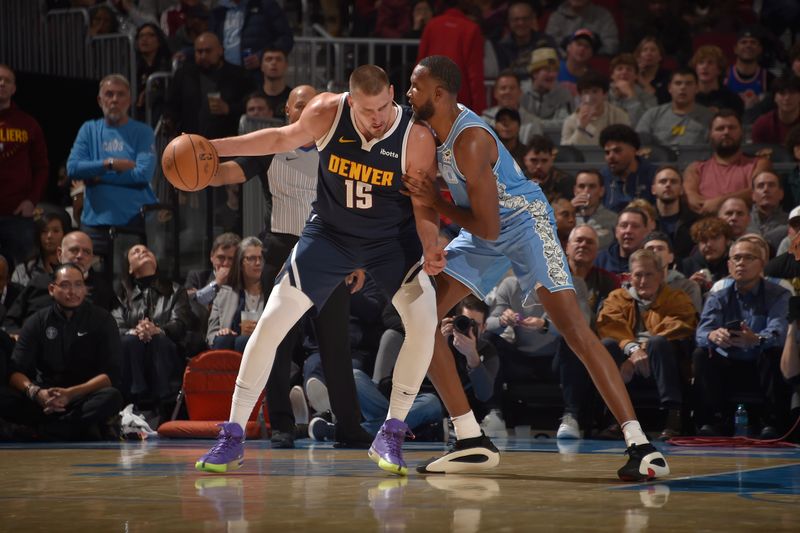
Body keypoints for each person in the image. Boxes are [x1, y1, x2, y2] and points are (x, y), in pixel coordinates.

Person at [403, 55, 669, 481]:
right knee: (420, 317)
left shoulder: (469, 139)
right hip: (481, 224)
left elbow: (489, 228)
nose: (408, 93)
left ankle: (641, 444)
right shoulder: (428, 132)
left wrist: (436, 201)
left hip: (524, 222)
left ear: (439, 93)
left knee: (575, 331)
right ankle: (470, 438)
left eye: (415, 87)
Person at [195, 64, 444, 475]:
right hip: (330, 236)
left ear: (393, 94)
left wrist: (432, 245)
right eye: (367, 110)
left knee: (424, 320)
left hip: (389, 242)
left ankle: (392, 432)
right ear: (350, 101)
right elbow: (276, 138)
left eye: (383, 106)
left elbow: (423, 204)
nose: (377, 117)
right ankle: (233, 434)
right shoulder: (327, 111)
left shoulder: (414, 136)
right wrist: (213, 145)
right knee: (271, 323)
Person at [0, 263, 123, 441]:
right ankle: (75, 429)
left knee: (112, 397)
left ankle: (45, 432)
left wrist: (71, 394)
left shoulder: (103, 320)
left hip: (83, 398)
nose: (72, 291)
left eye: (78, 284)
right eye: (65, 285)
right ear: (52, 289)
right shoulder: (37, 321)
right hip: (44, 399)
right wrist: (35, 392)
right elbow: (15, 372)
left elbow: (110, 375)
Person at [694, 237, 790, 438]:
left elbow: (779, 332)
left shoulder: (778, 294)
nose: (741, 263)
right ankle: (714, 420)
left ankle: (770, 421)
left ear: (762, 264)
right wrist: (713, 334)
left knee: (774, 351)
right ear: (729, 264)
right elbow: (702, 332)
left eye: (748, 257)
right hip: (728, 362)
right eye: (736, 258)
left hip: (759, 361)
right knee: (702, 353)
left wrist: (755, 339)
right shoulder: (719, 296)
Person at [596, 249, 697, 440]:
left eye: (649, 274)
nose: (643, 281)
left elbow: (680, 325)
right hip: (626, 364)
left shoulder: (676, 298)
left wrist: (640, 352)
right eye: (638, 275)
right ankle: (614, 420)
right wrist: (632, 350)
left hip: (662, 362)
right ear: (629, 276)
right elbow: (609, 325)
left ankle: (672, 418)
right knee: (608, 344)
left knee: (658, 343)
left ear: (661, 274)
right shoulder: (617, 298)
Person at [65, 74, 158, 267]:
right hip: (93, 224)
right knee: (92, 285)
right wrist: (110, 163)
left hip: (132, 224)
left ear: (130, 100)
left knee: (129, 286)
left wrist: (97, 177)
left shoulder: (143, 131)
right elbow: (73, 168)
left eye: (120, 94)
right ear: (100, 100)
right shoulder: (88, 129)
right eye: (109, 94)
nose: (114, 99)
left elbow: (143, 174)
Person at [113, 244, 192, 422]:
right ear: (130, 268)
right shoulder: (121, 294)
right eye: (136, 251)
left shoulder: (175, 290)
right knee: (129, 341)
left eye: (147, 250)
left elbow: (180, 323)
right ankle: (138, 402)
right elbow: (116, 325)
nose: (143, 252)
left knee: (159, 340)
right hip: (133, 351)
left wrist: (158, 330)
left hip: (167, 350)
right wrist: (135, 331)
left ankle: (163, 404)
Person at [554, 224, 619, 438]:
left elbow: (613, 318)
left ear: (597, 251)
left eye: (589, 241)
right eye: (578, 240)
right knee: (569, 339)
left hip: (595, 344)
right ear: (567, 247)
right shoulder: (552, 277)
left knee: (608, 345)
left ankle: (608, 421)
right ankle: (571, 416)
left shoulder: (609, 281)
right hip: (557, 348)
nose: (583, 244)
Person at [3, 231, 118, 334]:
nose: (80, 256)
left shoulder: (102, 288)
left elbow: (115, 323)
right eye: (74, 250)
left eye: (86, 252)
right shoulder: (38, 282)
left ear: (92, 258)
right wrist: (16, 335)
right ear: (59, 253)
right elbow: (11, 320)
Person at [0, 64, 49, 269]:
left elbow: (42, 167)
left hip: (18, 216)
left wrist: (31, 200)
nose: (1, 83)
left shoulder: (28, 124)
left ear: (14, 89)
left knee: (23, 275)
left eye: (7, 80)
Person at [163, 32, 255, 139]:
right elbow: (172, 104)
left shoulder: (239, 76)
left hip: (227, 140)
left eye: (208, 51)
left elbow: (250, 107)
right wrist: (169, 119)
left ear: (220, 50)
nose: (203, 56)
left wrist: (229, 109)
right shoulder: (184, 74)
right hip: (190, 140)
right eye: (199, 51)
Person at [683, 110, 771, 216]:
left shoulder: (759, 164)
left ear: (741, 132)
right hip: (706, 226)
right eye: (720, 128)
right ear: (710, 134)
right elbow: (691, 198)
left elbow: (757, 192)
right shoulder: (695, 168)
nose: (726, 132)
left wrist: (719, 203)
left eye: (732, 128)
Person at [417, 1, 485, 115]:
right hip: (459, 102)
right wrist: (479, 112)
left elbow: (419, 66)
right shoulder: (471, 29)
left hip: (430, 97)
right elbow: (475, 76)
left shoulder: (432, 25)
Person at [206, 237, 266, 352]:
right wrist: (222, 332)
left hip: (263, 348)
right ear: (240, 263)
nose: (258, 263)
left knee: (243, 341)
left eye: (261, 258)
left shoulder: (272, 293)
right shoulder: (224, 293)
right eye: (252, 258)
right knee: (224, 339)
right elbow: (210, 335)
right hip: (228, 347)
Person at [209, 0, 294, 78]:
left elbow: (285, 38)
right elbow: (212, 40)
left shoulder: (265, 6)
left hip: (258, 74)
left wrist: (262, 56)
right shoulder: (218, 12)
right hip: (225, 75)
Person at [635, 68, 714, 146]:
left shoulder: (709, 117)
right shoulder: (652, 115)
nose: (683, 87)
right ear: (670, 88)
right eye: (678, 83)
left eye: (688, 83)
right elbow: (638, 144)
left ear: (696, 88)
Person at [561, 72, 631, 146]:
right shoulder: (570, 121)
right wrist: (581, 128)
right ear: (580, 96)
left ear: (605, 94)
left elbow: (628, 145)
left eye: (595, 91)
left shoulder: (620, 116)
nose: (591, 96)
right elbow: (566, 151)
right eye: (586, 92)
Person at [598, 125, 657, 211]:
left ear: (634, 150)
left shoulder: (654, 175)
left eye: (617, 151)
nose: (611, 157)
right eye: (607, 152)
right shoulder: (602, 177)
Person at [642, 231, 703, 313]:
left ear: (671, 257)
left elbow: (692, 320)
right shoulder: (633, 286)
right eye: (650, 249)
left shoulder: (687, 287)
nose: (655, 252)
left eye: (660, 249)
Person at [494, 1, 557, 76]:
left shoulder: (546, 42)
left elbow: (554, 69)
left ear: (532, 19)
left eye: (525, 18)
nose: (521, 23)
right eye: (516, 19)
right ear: (509, 21)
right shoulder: (501, 47)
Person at [481, 71, 543, 145]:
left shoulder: (533, 123)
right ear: (495, 93)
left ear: (520, 92)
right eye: (503, 88)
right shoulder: (483, 122)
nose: (507, 92)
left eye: (512, 88)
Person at [11, 211, 70, 288]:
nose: (49, 236)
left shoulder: (73, 267)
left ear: (64, 234)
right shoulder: (24, 270)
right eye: (44, 231)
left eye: (55, 231)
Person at [651, 166, 698, 261]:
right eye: (663, 181)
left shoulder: (696, 222)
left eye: (673, 182)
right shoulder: (644, 221)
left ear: (681, 190)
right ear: (653, 189)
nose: (668, 185)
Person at [521, 48, 574, 130]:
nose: (552, 75)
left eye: (555, 70)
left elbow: (565, 124)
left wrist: (536, 124)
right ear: (535, 73)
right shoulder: (520, 92)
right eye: (548, 70)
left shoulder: (564, 95)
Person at [680, 217, 733, 294]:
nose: (709, 245)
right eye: (704, 240)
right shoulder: (686, 265)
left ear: (727, 240)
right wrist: (690, 287)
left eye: (715, 238)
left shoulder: (734, 263)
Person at [546, 0, 619, 56]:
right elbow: (550, 44)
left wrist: (587, 52)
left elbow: (611, 46)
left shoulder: (604, 16)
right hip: (563, 62)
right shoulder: (556, 17)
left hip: (593, 63)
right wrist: (570, 55)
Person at [724, 27, 771, 111]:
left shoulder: (769, 78)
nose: (748, 45)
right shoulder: (723, 76)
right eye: (743, 42)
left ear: (760, 49)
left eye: (753, 42)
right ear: (735, 49)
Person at [133, 22, 172, 123]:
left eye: (150, 35)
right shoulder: (131, 66)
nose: (144, 39)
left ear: (159, 41)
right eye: (141, 36)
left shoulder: (167, 65)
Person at [594, 207, 650, 275]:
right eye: (624, 226)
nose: (628, 231)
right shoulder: (600, 260)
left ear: (646, 232)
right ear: (616, 231)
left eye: (635, 226)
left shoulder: (651, 262)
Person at [691, 45, 744, 116]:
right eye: (701, 62)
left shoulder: (732, 99)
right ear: (696, 68)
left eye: (710, 63)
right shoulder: (688, 96)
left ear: (719, 69)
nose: (705, 66)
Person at [571, 169, 618, 249]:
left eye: (592, 186)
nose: (586, 191)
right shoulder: (564, 217)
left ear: (601, 191)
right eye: (581, 186)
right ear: (575, 191)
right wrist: (569, 210)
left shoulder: (614, 219)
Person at [607, 53, 657, 126]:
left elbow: (643, 124)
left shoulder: (648, 97)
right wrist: (615, 97)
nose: (624, 72)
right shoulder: (603, 93)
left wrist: (631, 96)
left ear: (636, 76)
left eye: (629, 69)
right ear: (612, 75)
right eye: (619, 69)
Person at [522, 135, 574, 203]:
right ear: (525, 160)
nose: (539, 166)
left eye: (544, 161)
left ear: (551, 161)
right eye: (534, 160)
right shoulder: (516, 181)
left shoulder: (565, 182)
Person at [751, 76, 800, 145]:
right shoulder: (762, 124)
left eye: (792, 92)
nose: (787, 98)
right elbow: (756, 152)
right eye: (782, 93)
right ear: (774, 98)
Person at [747, 171, 788, 253]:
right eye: (760, 186)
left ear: (781, 194)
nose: (766, 189)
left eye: (771, 185)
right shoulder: (742, 221)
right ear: (753, 195)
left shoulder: (792, 223)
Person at [557, 30, 597, 95]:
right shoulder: (554, 69)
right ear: (568, 47)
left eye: (587, 46)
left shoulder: (593, 79)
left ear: (591, 54)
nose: (582, 49)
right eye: (579, 44)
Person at [634, 36, 671, 104]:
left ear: (660, 57)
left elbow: (661, 100)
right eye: (645, 50)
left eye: (653, 50)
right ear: (638, 56)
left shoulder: (668, 76)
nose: (649, 53)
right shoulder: (632, 76)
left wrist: (641, 79)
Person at [259, 48, 292, 120]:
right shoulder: (253, 99)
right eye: (269, 59)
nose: (273, 62)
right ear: (261, 66)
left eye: (278, 59)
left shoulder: (292, 98)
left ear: (286, 65)